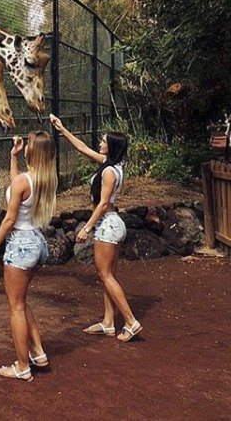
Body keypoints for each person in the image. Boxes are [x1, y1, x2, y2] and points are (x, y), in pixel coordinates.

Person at [49, 114, 142, 342]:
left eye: (103, 142)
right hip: (112, 224)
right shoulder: (112, 165)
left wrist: (86, 228)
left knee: (105, 274)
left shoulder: (109, 171)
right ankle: (108, 322)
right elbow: (82, 148)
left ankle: (131, 321)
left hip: (107, 224)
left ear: (112, 147)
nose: (100, 144)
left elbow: (102, 203)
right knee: (107, 276)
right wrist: (63, 129)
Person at [0, 131, 57, 381]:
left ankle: (22, 366)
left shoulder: (25, 181)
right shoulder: (44, 178)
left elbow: (10, 218)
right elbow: (17, 187)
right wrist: (13, 157)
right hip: (37, 242)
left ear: (34, 151)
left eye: (28, 145)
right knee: (21, 301)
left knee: (15, 306)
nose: (25, 146)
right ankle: (37, 352)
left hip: (21, 244)